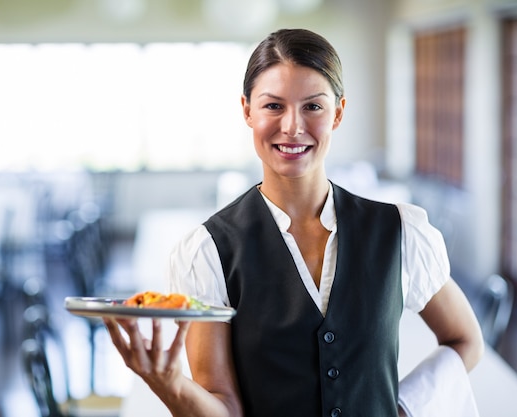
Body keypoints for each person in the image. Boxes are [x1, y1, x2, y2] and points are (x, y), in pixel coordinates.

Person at [104, 28, 484, 417]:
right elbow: (224, 408)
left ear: (337, 112)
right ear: (247, 110)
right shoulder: (208, 252)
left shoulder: (400, 231)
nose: (292, 127)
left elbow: (464, 339)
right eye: (273, 106)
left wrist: (402, 406)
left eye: (313, 106)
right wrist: (169, 385)